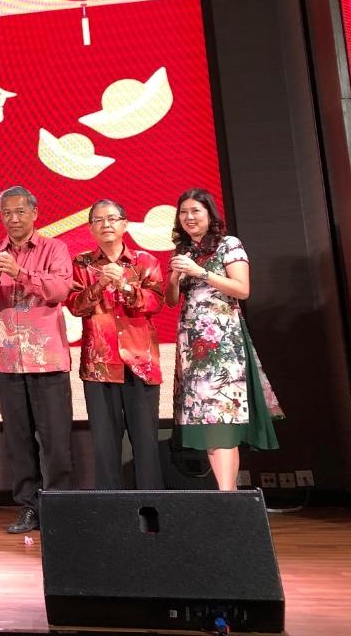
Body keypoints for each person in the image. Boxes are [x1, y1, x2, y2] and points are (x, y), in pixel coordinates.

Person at [165, 188, 283, 490]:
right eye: (183, 212)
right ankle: (224, 493)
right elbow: (170, 301)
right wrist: (174, 278)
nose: (189, 218)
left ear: (209, 214)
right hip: (192, 345)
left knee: (222, 415)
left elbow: (242, 289)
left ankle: (228, 496)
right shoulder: (182, 251)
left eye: (195, 211)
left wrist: (201, 272)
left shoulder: (229, 244)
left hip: (222, 343)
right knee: (207, 419)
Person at [0, 186, 74, 534]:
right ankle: (28, 507)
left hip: (47, 358)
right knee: (17, 439)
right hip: (7, 360)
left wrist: (20, 273)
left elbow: (60, 290)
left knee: (55, 438)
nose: (13, 219)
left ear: (34, 213)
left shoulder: (54, 248)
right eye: (6, 213)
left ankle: (59, 506)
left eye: (19, 212)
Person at [67, 200, 166, 490]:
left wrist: (124, 285)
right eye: (98, 220)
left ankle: (153, 509)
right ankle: (110, 513)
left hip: (141, 362)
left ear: (124, 224)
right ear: (90, 228)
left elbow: (156, 302)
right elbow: (75, 305)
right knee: (105, 445)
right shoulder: (81, 264)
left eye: (112, 218)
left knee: (146, 442)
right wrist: (99, 285)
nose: (106, 224)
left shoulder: (145, 261)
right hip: (100, 364)